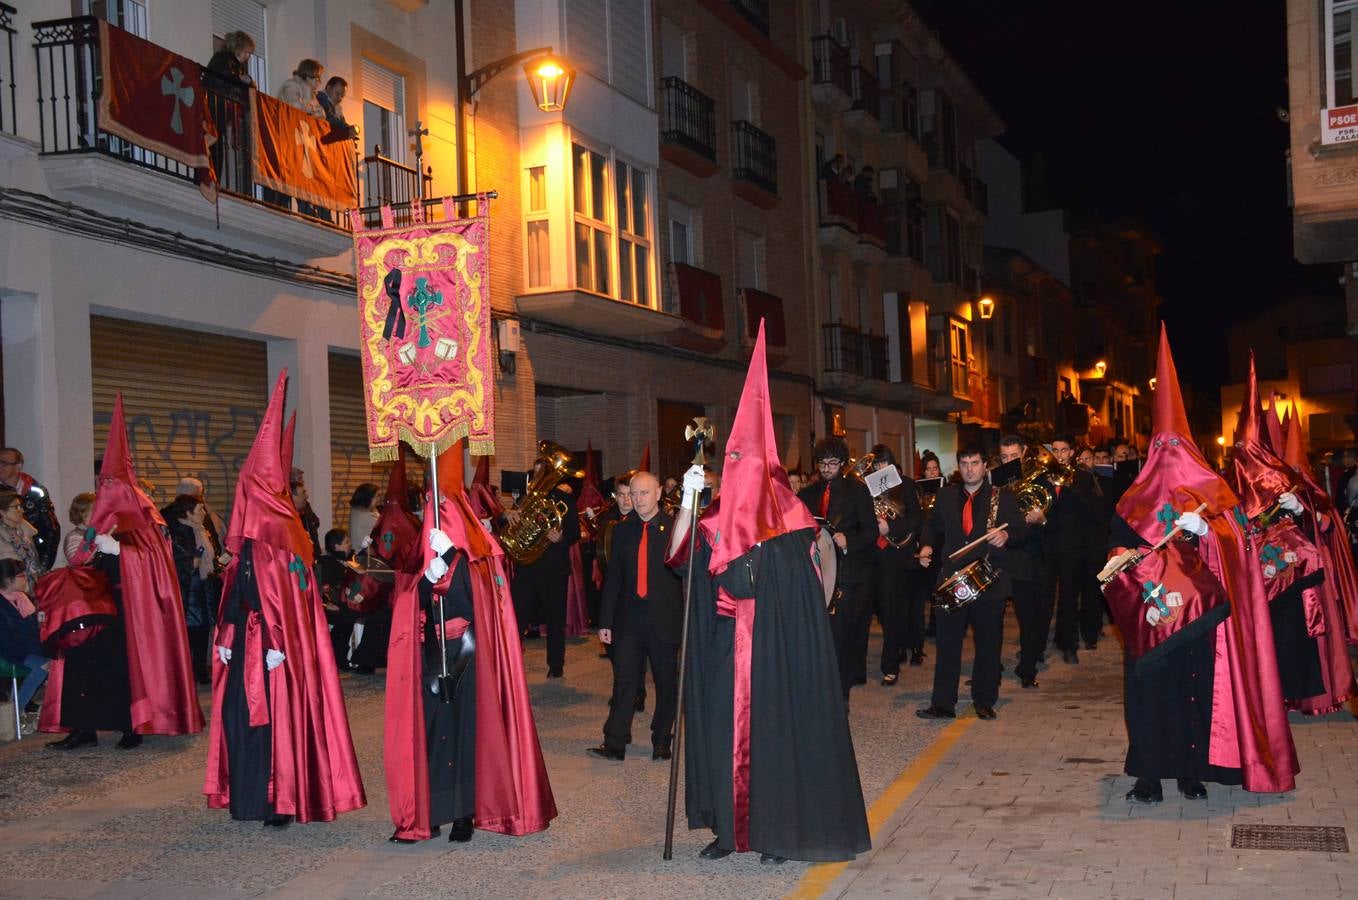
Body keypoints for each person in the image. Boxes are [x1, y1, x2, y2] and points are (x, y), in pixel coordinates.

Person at [667, 324, 868, 863]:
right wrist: (688, 505)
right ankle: (727, 831)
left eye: (742, 463)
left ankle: (777, 831)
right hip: (722, 650)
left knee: (774, 740)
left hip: (774, 652)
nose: (734, 473)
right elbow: (683, 567)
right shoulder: (713, 517)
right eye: (730, 463)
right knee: (720, 736)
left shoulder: (792, 521)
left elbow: (802, 590)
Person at [1104, 325, 1297, 802]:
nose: (1168, 456)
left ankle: (1191, 771)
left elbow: (1242, 544)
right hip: (1154, 615)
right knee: (1148, 695)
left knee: (1195, 694)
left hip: (1197, 619)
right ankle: (1149, 774)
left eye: (1177, 447)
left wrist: (1210, 531)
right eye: (1160, 447)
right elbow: (1114, 551)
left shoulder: (1215, 496)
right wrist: (1126, 561)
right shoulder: (1132, 500)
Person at [205, 371, 365, 826]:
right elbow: (238, 586)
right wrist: (226, 631)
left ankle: (281, 799)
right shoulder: (252, 539)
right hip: (244, 644)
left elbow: (289, 598)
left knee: (276, 722)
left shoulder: (283, 536)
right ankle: (249, 796)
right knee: (243, 719)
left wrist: (278, 642)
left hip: (274, 651)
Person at [385, 440, 557, 843]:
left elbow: (478, 604)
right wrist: (426, 580)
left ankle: (464, 813)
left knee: (464, 734)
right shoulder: (421, 554)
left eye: (438, 507)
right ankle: (428, 813)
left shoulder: (477, 557)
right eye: (429, 505)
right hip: (430, 654)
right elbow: (409, 600)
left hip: (466, 654)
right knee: (431, 732)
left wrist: (450, 571)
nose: (431, 513)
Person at [48, 395, 203, 750]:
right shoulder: (101, 513)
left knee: (122, 666)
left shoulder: (144, 514)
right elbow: (79, 557)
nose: (104, 489)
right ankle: (83, 727)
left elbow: (158, 560)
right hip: (96, 603)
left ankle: (130, 725)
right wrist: (91, 544)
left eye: (108, 483)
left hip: (131, 607)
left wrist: (118, 549)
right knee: (81, 661)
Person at [1228, 354, 1347, 713]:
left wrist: (1302, 511)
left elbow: (1323, 523)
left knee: (1293, 636)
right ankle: (1263, 698)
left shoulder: (1287, 480)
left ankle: (1298, 694)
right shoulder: (1228, 483)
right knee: (1258, 639)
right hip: (1252, 579)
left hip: (1291, 577)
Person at [916, 446, 1028, 721]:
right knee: (947, 643)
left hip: (989, 579)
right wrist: (927, 546)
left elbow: (1020, 530)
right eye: (964, 463)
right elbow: (932, 526)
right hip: (953, 577)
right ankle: (943, 704)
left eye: (975, 462)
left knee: (988, 643)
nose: (969, 468)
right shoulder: (946, 495)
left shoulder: (1001, 498)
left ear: (984, 466)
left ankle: (984, 700)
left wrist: (1007, 537)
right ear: (958, 466)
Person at [588, 472, 682, 762]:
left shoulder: (675, 529)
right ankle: (615, 742)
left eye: (643, 493)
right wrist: (605, 621)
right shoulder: (622, 530)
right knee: (625, 680)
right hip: (628, 620)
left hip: (664, 619)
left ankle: (662, 739)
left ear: (657, 495)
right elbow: (613, 578)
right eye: (633, 494)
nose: (637, 500)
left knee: (666, 682)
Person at [797, 437, 876, 701]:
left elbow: (871, 532)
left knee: (842, 635)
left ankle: (840, 694)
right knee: (819, 634)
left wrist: (849, 541)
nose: (827, 468)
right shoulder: (808, 494)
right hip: (816, 573)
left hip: (848, 575)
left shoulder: (857, 491)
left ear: (842, 463)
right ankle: (819, 686)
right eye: (822, 463)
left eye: (832, 463)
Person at [1032, 434, 1105, 663]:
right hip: (1045, 547)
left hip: (1072, 548)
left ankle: (1068, 645)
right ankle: (1037, 646)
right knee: (1043, 599)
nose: (1059, 455)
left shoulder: (1082, 478)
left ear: (1071, 453)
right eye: (1055, 449)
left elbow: (1088, 513)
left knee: (1069, 597)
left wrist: (1069, 486)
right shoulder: (1042, 476)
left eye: (1063, 450)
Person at [509, 445, 581, 678]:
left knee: (554, 618)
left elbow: (574, 533)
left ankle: (556, 664)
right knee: (517, 617)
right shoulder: (523, 500)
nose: (541, 478)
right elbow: (511, 530)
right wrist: (510, 517)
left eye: (546, 472)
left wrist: (561, 538)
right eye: (539, 473)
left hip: (553, 570)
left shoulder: (565, 500)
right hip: (527, 568)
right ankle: (511, 663)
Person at [867, 446, 923, 687]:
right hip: (871, 555)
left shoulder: (906, 485)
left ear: (890, 463)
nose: (878, 469)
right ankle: (897, 643)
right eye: (875, 465)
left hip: (895, 555)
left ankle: (890, 666)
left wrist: (891, 528)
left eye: (882, 464)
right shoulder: (865, 488)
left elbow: (916, 518)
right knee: (879, 610)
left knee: (891, 610)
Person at [996, 436, 1047, 689]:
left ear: (1024, 452)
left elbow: (1050, 520)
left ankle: (1027, 668)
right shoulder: (996, 482)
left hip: (1028, 558)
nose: (1009, 461)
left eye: (1013, 456)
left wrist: (1041, 519)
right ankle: (990, 667)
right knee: (992, 619)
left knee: (1029, 619)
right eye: (1004, 457)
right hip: (1000, 557)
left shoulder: (1039, 479)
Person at [164, 494, 224, 686]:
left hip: (205, 584)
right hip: (188, 587)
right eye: (199, 510)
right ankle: (188, 671)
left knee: (205, 628)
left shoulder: (202, 529)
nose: (203, 513)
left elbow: (210, 554)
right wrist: (191, 561)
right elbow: (176, 560)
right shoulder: (177, 532)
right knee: (190, 630)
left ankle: (200, 669)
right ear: (188, 513)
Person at [0, 560, 52, 733]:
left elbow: (35, 627)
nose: (25, 579)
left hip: (29, 647)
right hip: (10, 651)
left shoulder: (24, 599)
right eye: (21, 576)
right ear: (8, 580)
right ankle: (15, 712)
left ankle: (41, 709)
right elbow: (7, 638)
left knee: (57, 659)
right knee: (43, 666)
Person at [0, 448, 60, 572]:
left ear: (18, 466)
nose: (0, 466)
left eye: (4, 463)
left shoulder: (35, 492)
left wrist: (43, 565)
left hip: (31, 556)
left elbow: (51, 529)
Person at [0, 489, 45, 585]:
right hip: (11, 587)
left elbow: (35, 560)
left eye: (21, 506)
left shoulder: (25, 529)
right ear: (3, 512)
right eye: (16, 507)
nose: (22, 510)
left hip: (34, 583)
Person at [289, 468, 322, 558]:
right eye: (299, 478)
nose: (303, 481)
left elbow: (315, 520)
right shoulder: (287, 513)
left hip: (313, 548)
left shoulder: (305, 504)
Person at [348, 482, 381, 551]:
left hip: (357, 554)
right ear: (368, 498)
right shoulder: (366, 517)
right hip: (363, 557)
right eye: (376, 496)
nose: (378, 499)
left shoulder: (355, 510)